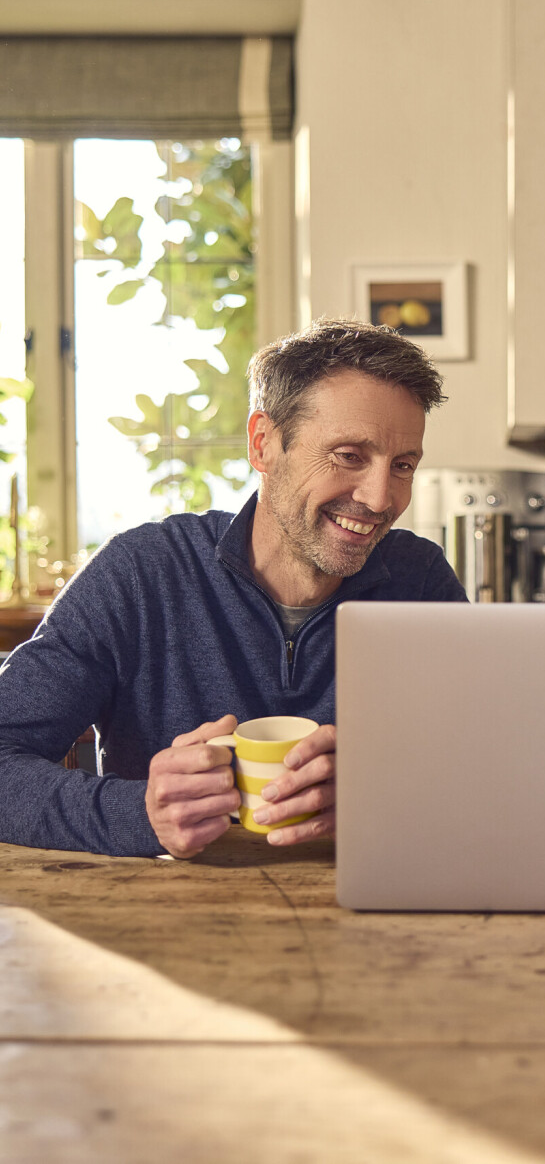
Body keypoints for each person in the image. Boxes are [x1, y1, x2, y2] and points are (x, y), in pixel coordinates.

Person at [0, 318, 467, 859]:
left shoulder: (421, 579)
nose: (381, 497)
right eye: (349, 456)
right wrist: (143, 816)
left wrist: (383, 800)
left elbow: (485, 772)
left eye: (403, 465)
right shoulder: (142, 573)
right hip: (164, 921)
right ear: (263, 443)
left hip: (368, 911)